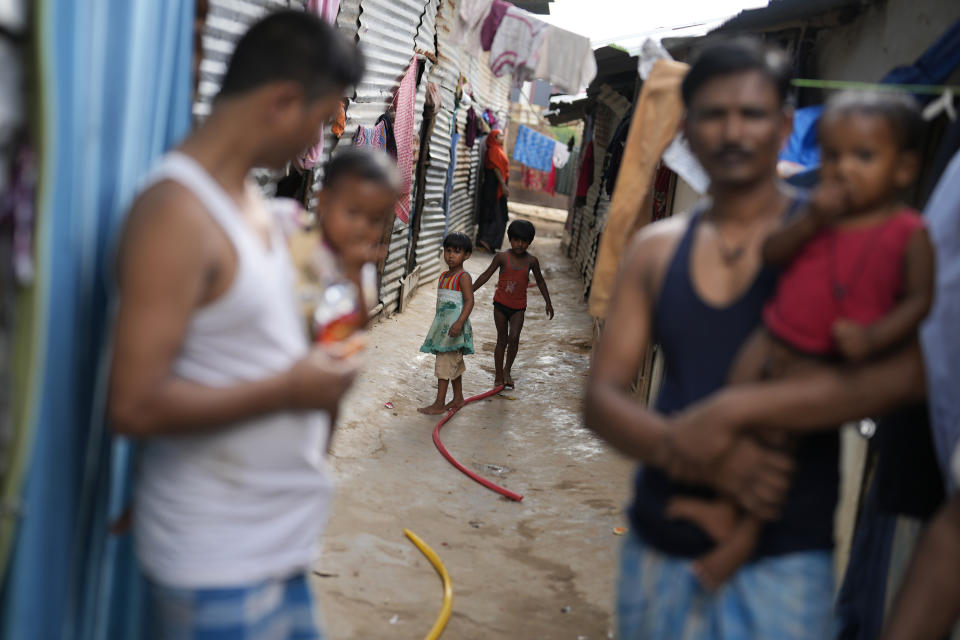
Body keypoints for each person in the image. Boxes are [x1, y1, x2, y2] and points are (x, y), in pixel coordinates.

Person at [107, 11, 364, 639]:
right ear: (281, 101)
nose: (318, 141)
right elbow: (133, 405)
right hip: (216, 559)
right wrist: (290, 389)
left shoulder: (253, 204)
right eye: (319, 118)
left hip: (274, 544)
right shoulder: (177, 213)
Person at [584, 38, 838, 639]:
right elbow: (600, 400)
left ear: (782, 127)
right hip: (661, 543)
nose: (732, 132)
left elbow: (887, 378)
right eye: (713, 114)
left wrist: (732, 418)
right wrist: (692, 448)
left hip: (787, 556)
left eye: (751, 114)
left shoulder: (827, 243)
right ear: (685, 131)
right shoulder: (656, 250)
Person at [666, 90, 933, 590]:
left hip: (821, 362)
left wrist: (875, 336)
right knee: (727, 408)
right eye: (832, 156)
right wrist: (812, 219)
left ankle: (743, 537)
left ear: (903, 169)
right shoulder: (815, 214)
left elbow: (920, 302)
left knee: (777, 448)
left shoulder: (908, 232)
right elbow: (773, 254)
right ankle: (718, 506)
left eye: (864, 157)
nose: (842, 169)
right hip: (771, 338)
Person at [309, 147, 400, 343]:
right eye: (352, 212)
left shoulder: (361, 265)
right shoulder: (298, 245)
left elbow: (359, 324)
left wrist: (354, 274)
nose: (361, 227)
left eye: (375, 220)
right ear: (323, 201)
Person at [473, 219, 554, 389]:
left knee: (514, 338)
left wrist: (548, 302)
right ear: (510, 239)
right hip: (500, 306)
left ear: (530, 242)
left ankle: (507, 370)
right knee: (502, 340)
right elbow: (486, 275)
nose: (520, 244)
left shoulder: (532, 261)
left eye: (524, 241)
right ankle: (498, 375)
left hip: (518, 308)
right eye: (516, 240)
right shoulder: (502, 257)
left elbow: (540, 281)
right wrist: (470, 290)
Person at [419, 232, 476, 415]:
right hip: (444, 329)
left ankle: (439, 403)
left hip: (454, 330)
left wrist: (459, 322)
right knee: (454, 364)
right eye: (448, 250)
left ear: (466, 255)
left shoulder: (463, 277)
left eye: (457, 252)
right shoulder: (444, 276)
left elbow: (469, 301)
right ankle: (458, 398)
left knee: (444, 365)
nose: (450, 255)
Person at [476, 128, 510, 252]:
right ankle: (486, 240)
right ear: (494, 138)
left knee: (499, 214)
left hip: (497, 186)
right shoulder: (494, 150)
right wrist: (503, 185)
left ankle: (488, 241)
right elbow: (496, 168)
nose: (502, 137)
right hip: (494, 187)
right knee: (496, 214)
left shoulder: (498, 149)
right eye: (500, 136)